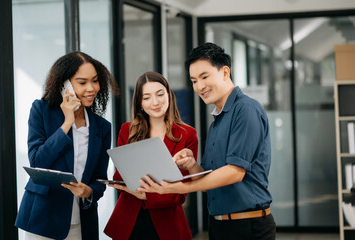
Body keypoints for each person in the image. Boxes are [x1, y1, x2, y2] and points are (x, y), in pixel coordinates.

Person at [139, 43, 276, 240]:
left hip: (248, 227)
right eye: (194, 81)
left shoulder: (246, 109)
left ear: (225, 72)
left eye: (204, 77)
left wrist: (177, 187)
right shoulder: (216, 123)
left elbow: (235, 172)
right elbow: (207, 179)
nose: (199, 86)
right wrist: (192, 165)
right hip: (220, 226)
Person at [15, 51, 117, 240]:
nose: (91, 88)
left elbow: (100, 179)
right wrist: (67, 123)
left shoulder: (102, 127)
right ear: (65, 85)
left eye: (95, 80)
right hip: (44, 218)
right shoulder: (41, 111)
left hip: (82, 221)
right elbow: (38, 160)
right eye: (82, 82)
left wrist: (89, 191)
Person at [104, 71, 197, 240]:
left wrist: (146, 195)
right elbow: (120, 177)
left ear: (169, 95)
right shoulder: (127, 130)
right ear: (140, 103)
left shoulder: (187, 134)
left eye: (160, 94)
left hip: (168, 223)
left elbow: (182, 191)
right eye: (146, 97)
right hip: (129, 220)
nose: (155, 102)